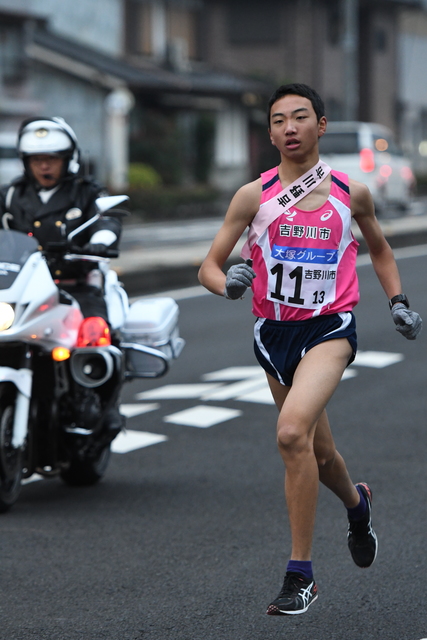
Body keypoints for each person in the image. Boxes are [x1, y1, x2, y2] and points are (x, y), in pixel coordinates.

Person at [198, 83, 422, 616]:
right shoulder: (253, 196)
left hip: (329, 330)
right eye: (279, 120)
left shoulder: (352, 193)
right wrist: (226, 283)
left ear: (321, 126)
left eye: (300, 118)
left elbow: (381, 250)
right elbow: (208, 266)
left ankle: (300, 576)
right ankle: (357, 503)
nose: (289, 128)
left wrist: (398, 301)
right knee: (319, 455)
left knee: (291, 431)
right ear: (270, 132)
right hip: (272, 336)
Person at [0, 116, 125, 438]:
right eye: (37, 159)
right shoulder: (11, 194)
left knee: (97, 335)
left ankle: (103, 408)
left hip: (75, 285)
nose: (44, 166)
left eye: (51, 158)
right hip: (22, 288)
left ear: (68, 159)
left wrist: (102, 241)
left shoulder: (85, 192)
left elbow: (107, 218)